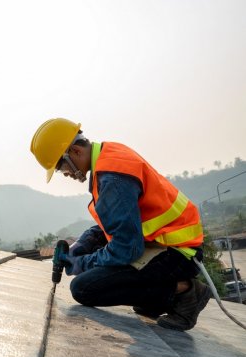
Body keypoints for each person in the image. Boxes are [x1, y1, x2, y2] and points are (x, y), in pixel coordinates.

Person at [30, 118, 210, 331]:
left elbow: (127, 249)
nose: (65, 174)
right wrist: (83, 244)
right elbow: (115, 222)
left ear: (75, 152)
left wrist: (82, 263)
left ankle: (186, 291)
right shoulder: (108, 155)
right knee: (109, 275)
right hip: (163, 242)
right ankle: (156, 299)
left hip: (178, 253)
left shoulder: (112, 179)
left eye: (61, 167)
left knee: (84, 288)